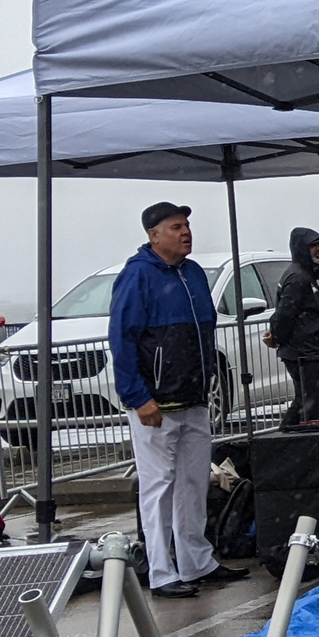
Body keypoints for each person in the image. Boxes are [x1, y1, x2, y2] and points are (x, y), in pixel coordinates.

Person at [109, 202, 249, 597]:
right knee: (158, 487)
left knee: (192, 483)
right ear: (154, 235)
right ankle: (161, 570)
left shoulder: (193, 275)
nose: (186, 232)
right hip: (156, 404)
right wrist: (138, 397)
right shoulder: (137, 277)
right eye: (176, 227)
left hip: (193, 399)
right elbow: (122, 340)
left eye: (187, 225)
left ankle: (196, 560)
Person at [265, 227, 319, 424]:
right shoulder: (298, 277)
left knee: (306, 401)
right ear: (302, 248)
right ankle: (295, 441)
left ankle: (288, 440)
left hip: (308, 350)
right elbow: (285, 313)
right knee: (309, 403)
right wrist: (277, 337)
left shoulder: (303, 274)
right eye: (313, 245)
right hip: (304, 351)